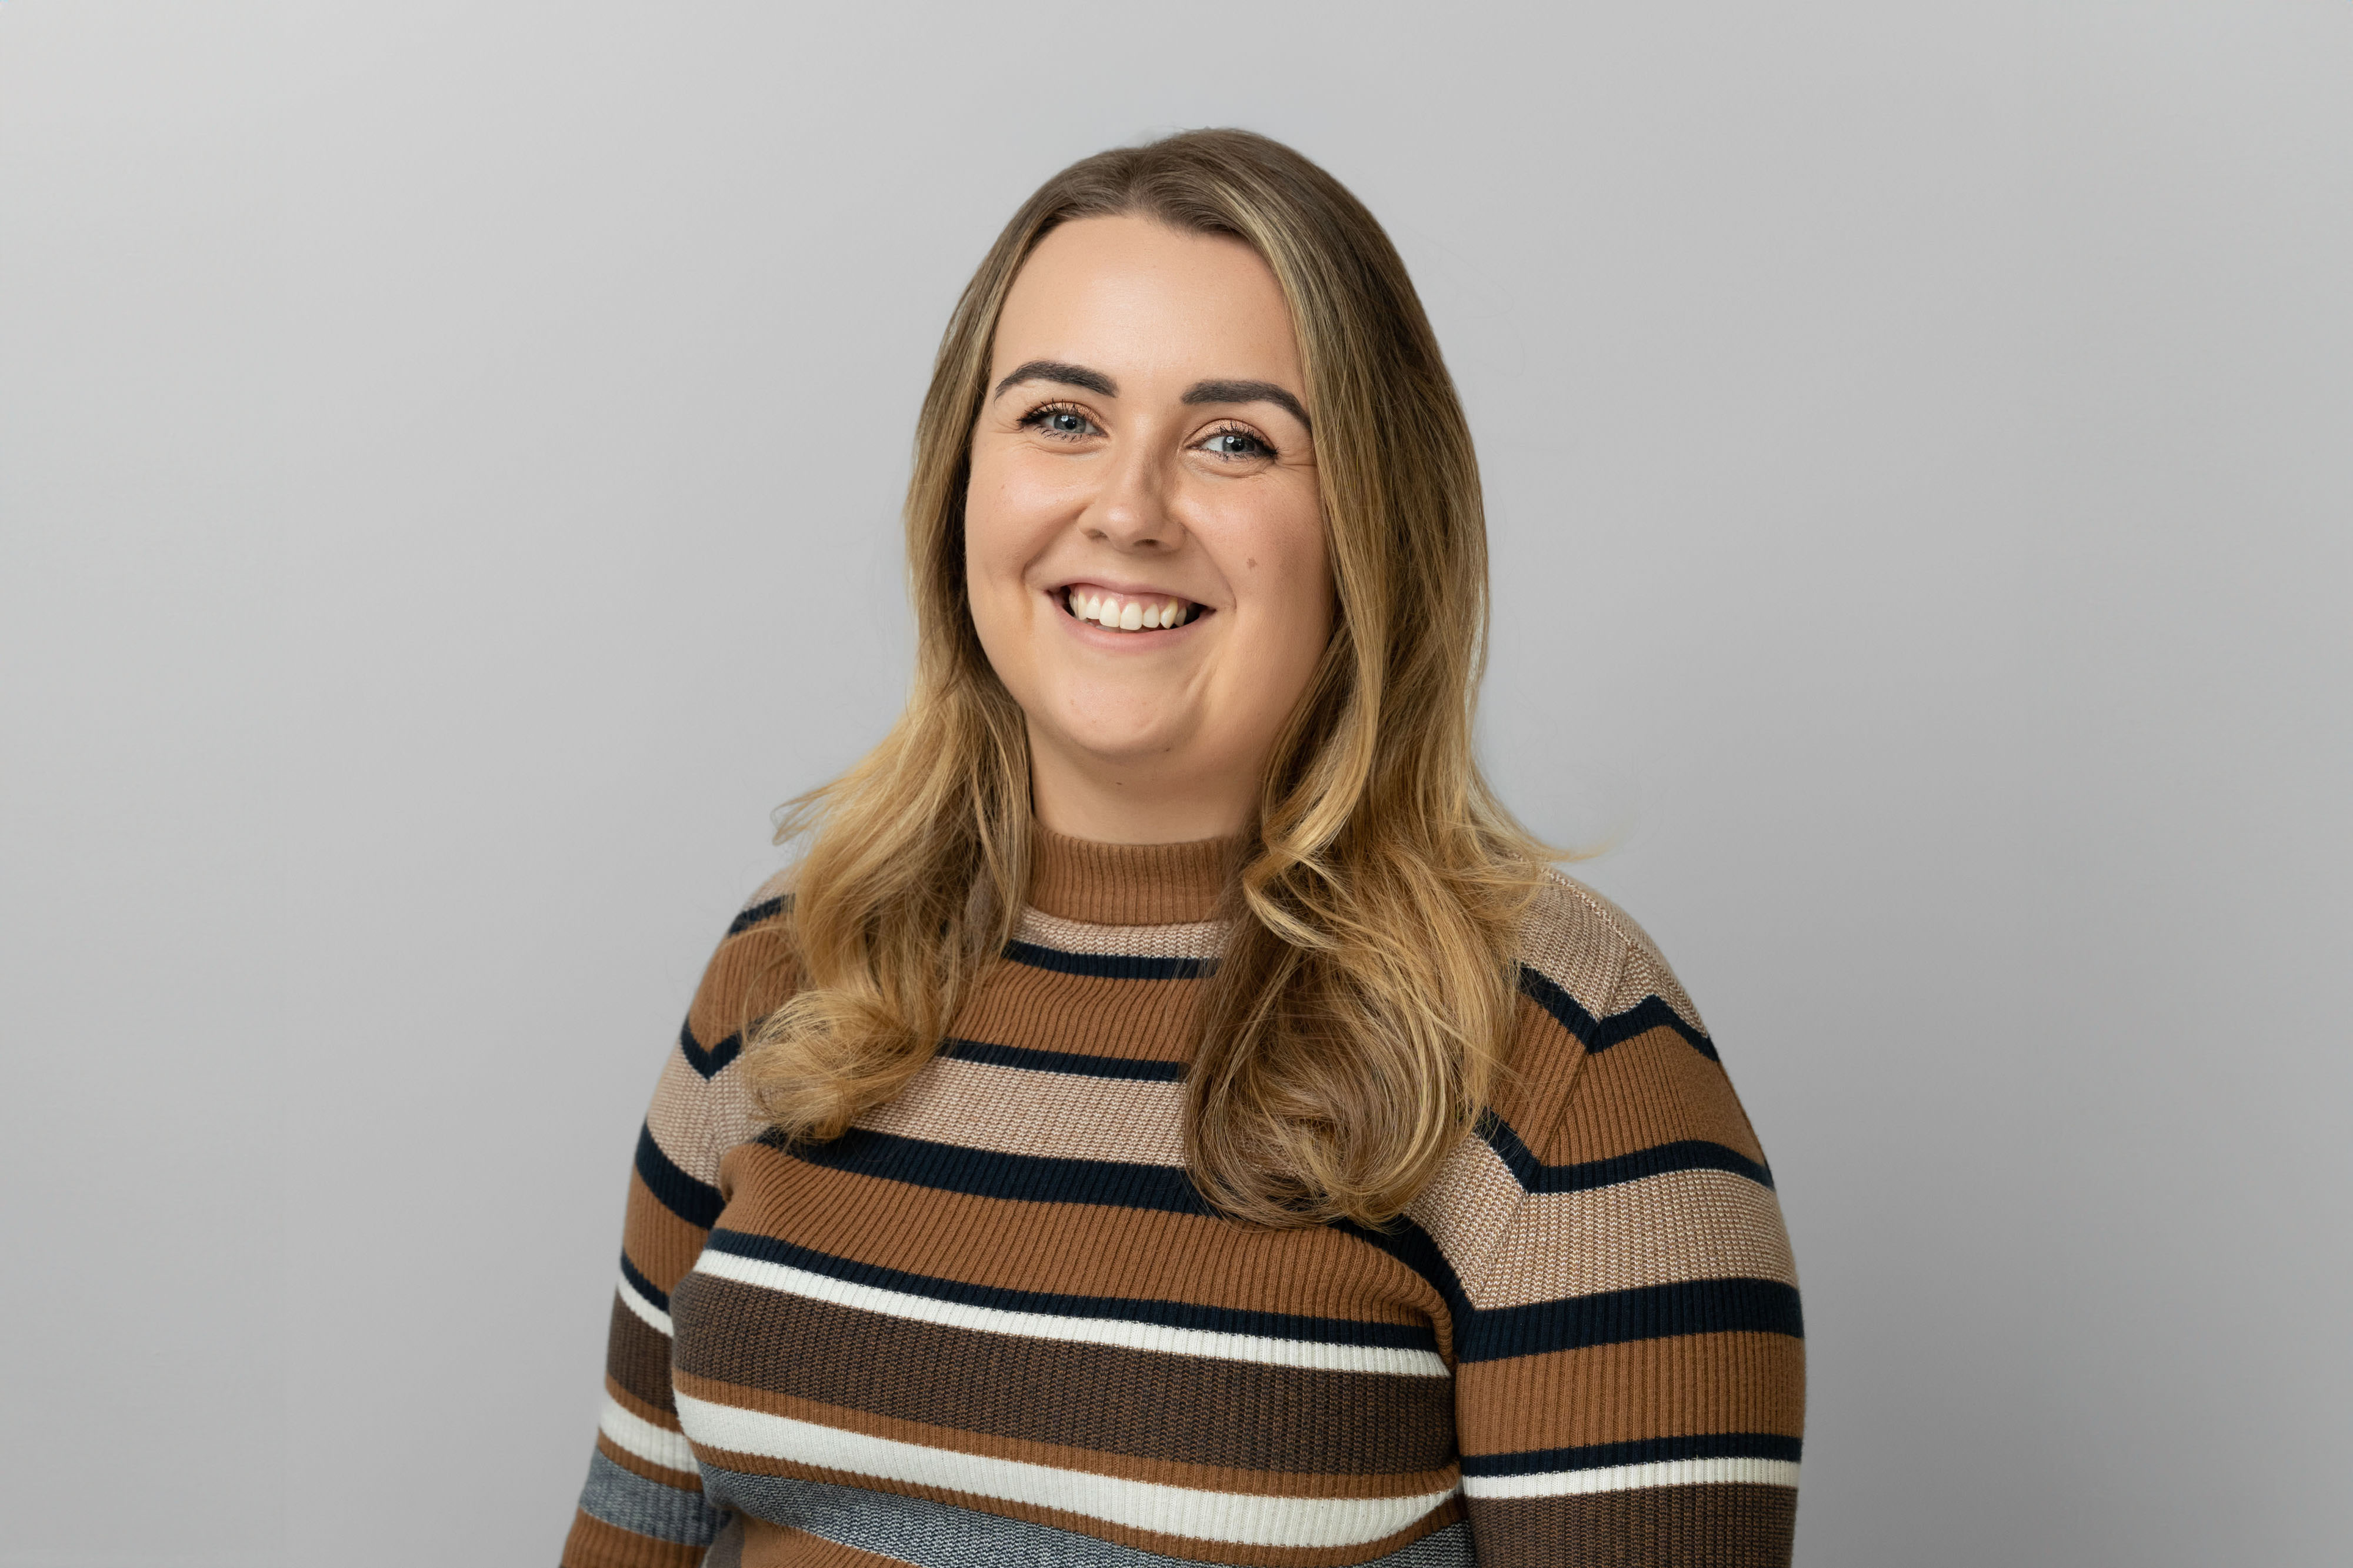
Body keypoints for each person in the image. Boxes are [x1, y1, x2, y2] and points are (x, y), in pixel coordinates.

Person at [561, 128, 1803, 1568]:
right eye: (1060, 418)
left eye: (1234, 440)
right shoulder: (797, 957)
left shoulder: (1563, 1049)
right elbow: (627, 1534)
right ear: (962, 480)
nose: (1129, 509)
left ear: (1369, 526)